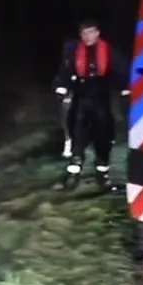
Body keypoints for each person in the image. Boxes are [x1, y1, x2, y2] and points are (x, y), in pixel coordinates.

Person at [54, 18, 123, 190]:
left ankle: (102, 172)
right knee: (77, 133)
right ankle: (74, 172)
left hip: (101, 96)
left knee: (104, 135)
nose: (88, 36)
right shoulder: (73, 51)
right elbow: (65, 70)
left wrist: (125, 87)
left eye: (91, 32)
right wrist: (61, 86)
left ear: (97, 33)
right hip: (81, 96)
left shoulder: (108, 50)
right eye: (84, 33)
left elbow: (121, 69)